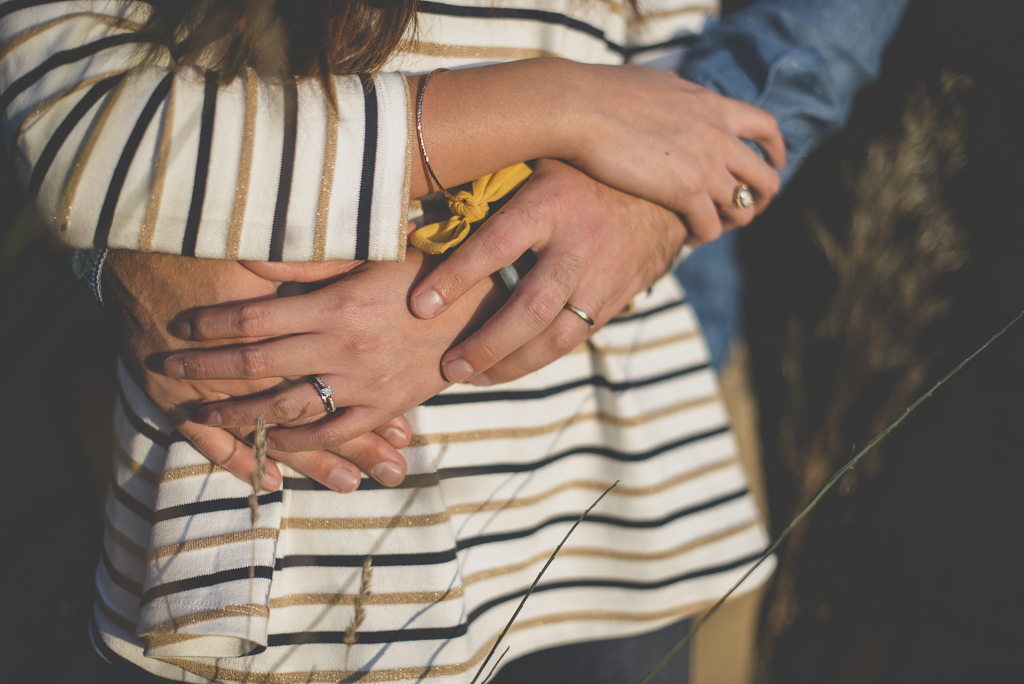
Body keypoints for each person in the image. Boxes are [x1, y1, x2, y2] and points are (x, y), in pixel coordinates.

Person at [0, 0, 906, 681]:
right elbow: (82, 117)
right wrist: (558, 105)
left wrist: (629, 211)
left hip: (604, 502)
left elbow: (680, 113)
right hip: (290, 541)